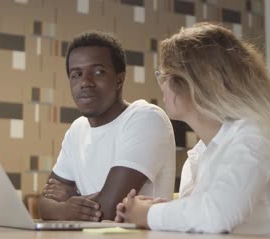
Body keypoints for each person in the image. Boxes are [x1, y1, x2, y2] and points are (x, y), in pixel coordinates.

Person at [115, 22, 270, 237]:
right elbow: (207, 216)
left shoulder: (256, 135)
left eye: (164, 75)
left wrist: (150, 214)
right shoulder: (205, 149)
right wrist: (153, 212)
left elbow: (216, 215)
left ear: (194, 82)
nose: (161, 85)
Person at [39, 31, 176, 221]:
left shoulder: (145, 118)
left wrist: (69, 201)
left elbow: (109, 209)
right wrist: (63, 210)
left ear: (119, 79)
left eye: (98, 72)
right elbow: (43, 204)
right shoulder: (77, 130)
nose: (85, 82)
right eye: (76, 74)